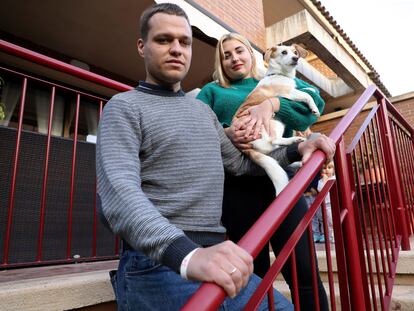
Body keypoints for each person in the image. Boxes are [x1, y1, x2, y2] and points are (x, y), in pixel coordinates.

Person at [96, 3, 335, 310]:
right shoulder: (123, 107)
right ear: (142, 47)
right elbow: (118, 194)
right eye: (163, 40)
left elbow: (241, 164)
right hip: (158, 261)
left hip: (217, 253)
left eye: (184, 42)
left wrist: (295, 149)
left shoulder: (203, 112)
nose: (176, 49)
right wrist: (187, 254)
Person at [197, 33, 329, 310]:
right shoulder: (212, 91)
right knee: (251, 278)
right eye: (227, 55)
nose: (234, 58)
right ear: (220, 62)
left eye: (239, 51)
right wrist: (226, 133)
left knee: (303, 273)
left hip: (281, 184)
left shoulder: (274, 79)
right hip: (237, 189)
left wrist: (272, 104)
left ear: (252, 54)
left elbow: (313, 107)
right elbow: (197, 129)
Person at [314, 161, 336, 243]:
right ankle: (328, 236)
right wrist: (324, 180)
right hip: (324, 205)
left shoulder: (334, 179)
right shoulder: (321, 181)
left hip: (332, 204)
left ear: (333, 170)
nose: (327, 170)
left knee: (331, 222)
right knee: (324, 221)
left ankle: (332, 236)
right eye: (324, 168)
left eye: (329, 168)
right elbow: (320, 190)